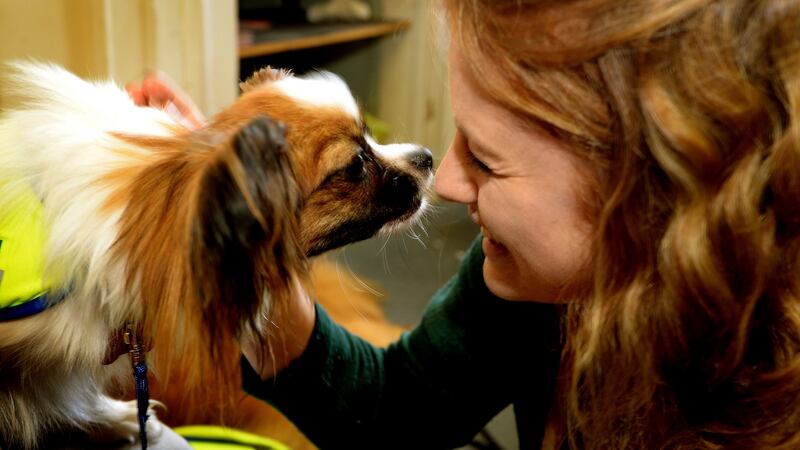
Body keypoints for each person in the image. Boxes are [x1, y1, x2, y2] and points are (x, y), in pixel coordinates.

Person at [130, 0, 800, 448]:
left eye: (486, 159)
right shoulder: (522, 281)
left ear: (643, 191)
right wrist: (243, 219)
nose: (447, 181)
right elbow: (397, 414)